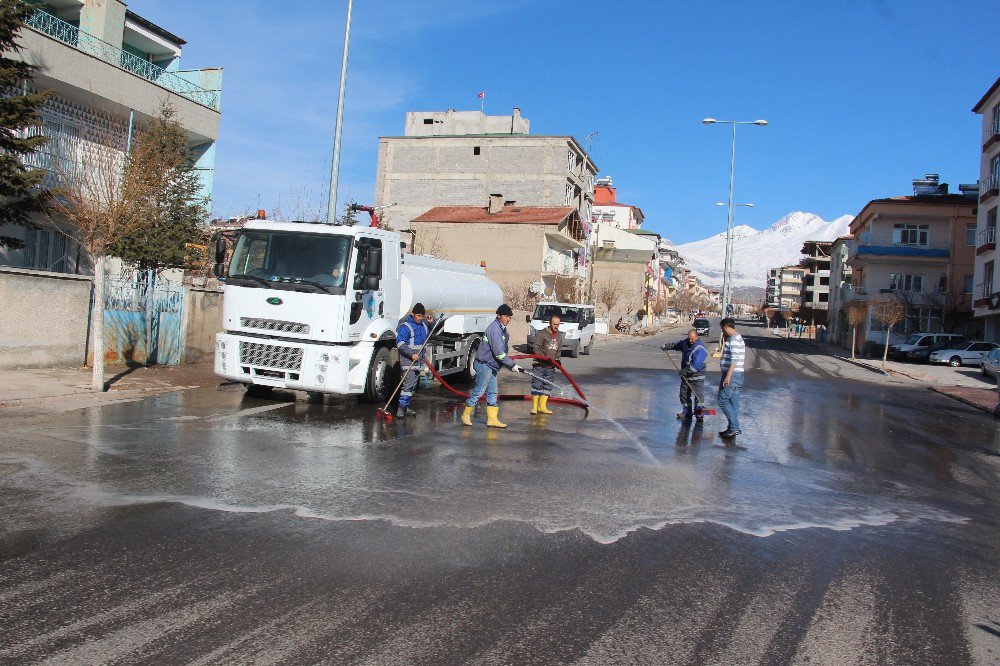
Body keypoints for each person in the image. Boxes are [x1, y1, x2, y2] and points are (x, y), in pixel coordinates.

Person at [461, 304, 525, 428]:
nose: (508, 319)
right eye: (506, 316)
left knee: (493, 392)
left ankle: (492, 419)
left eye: (510, 317)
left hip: (491, 365)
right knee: (479, 391)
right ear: (499, 316)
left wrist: (509, 365)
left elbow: (501, 352)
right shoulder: (495, 330)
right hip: (485, 365)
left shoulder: (501, 328)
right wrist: (512, 365)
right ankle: (466, 414)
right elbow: (499, 353)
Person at [662, 329, 708, 422]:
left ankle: (699, 415)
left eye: (692, 339)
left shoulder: (700, 349)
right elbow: (676, 345)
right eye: (689, 338)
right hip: (686, 376)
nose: (690, 340)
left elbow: (695, 367)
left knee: (698, 397)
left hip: (697, 377)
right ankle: (687, 412)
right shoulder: (686, 343)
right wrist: (666, 346)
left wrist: (683, 372)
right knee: (683, 395)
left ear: (697, 337)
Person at [394, 303, 431, 418]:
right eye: (418, 315)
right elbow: (400, 343)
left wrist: (431, 324)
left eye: (422, 316)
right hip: (408, 362)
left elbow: (428, 337)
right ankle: (400, 410)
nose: (420, 318)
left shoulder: (424, 326)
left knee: (413, 386)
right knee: (408, 385)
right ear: (413, 314)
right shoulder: (406, 326)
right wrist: (411, 354)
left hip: (418, 362)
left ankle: (405, 407)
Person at [718, 317, 746, 439]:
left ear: (726, 327)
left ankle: (734, 427)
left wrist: (728, 375)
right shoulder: (738, 338)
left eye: (722, 329)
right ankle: (731, 428)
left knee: (722, 400)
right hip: (738, 375)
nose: (722, 332)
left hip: (733, 375)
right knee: (733, 402)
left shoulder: (734, 340)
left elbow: (734, 359)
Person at [530, 315, 563, 415]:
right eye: (554, 324)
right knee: (537, 385)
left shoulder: (559, 335)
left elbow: (559, 350)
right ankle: (534, 407)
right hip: (539, 365)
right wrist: (544, 358)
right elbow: (536, 348)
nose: (556, 326)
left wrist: (557, 360)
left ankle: (542, 407)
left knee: (548, 386)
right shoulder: (542, 334)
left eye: (558, 324)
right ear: (550, 323)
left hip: (550, 367)